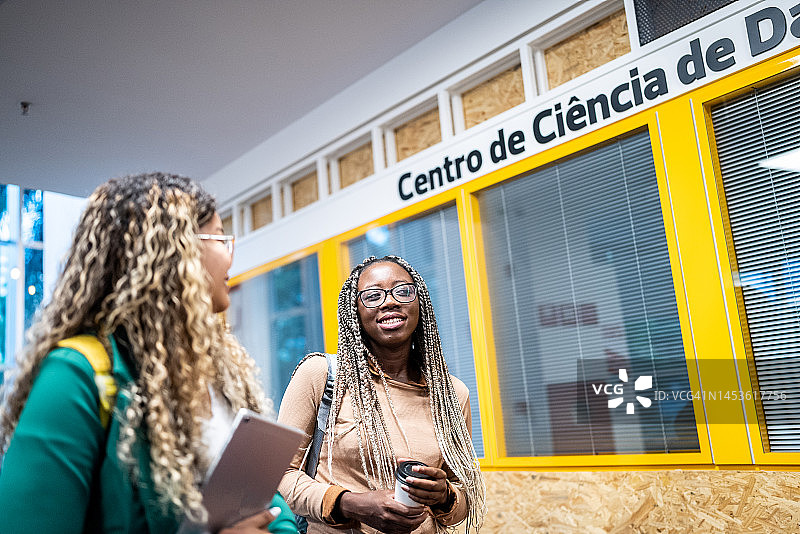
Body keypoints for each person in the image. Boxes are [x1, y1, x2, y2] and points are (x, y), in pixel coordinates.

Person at [0, 173, 297, 534]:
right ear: (176, 251)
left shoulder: (217, 373)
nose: (229, 253)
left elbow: (267, 507)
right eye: (219, 237)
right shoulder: (76, 375)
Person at [278, 255, 485, 534]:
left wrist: (444, 496)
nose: (390, 301)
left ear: (419, 303)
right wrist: (348, 503)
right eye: (373, 296)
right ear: (355, 312)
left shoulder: (451, 394)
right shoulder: (322, 376)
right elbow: (279, 474)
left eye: (402, 291)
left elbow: (465, 494)